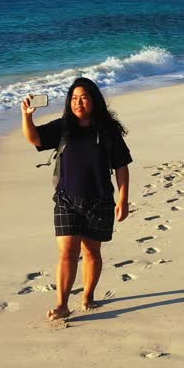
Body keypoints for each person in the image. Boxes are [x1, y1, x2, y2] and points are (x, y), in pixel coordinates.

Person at [21, 77, 132, 320]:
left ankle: (88, 296)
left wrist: (123, 200)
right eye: (73, 98)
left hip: (100, 200)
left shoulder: (108, 131)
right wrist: (27, 116)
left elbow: (121, 166)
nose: (78, 102)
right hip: (66, 199)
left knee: (92, 252)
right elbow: (35, 139)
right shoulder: (63, 127)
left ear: (94, 100)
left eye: (83, 97)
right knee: (67, 253)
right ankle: (62, 304)